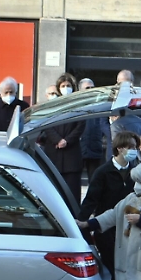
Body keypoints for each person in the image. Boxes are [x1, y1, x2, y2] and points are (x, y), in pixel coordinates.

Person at [79, 131, 140, 280]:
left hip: (131, 230)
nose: (134, 151)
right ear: (120, 148)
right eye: (131, 147)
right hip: (107, 231)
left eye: (135, 147)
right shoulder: (103, 172)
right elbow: (91, 200)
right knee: (115, 275)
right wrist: (82, 223)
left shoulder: (136, 171)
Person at [42, 73, 85, 203]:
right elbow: (47, 125)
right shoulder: (52, 105)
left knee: (72, 192)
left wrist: (67, 141)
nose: (66, 88)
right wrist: (57, 140)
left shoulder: (78, 104)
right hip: (53, 154)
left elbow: (80, 126)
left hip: (71, 156)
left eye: (68, 85)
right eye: (63, 86)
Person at [79, 78, 104, 182]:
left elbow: (103, 125)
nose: (90, 90)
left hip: (95, 149)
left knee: (94, 181)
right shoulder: (76, 107)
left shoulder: (100, 106)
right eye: (87, 88)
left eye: (92, 88)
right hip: (79, 150)